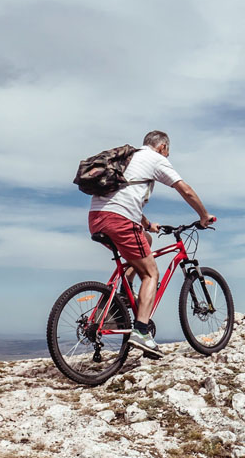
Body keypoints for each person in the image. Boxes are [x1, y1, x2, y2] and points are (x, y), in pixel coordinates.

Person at [88, 130, 214, 358]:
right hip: (120, 220)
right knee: (151, 274)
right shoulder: (155, 159)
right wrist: (204, 215)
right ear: (163, 147)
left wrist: (146, 223)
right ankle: (141, 332)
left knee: (144, 241)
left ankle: (124, 295)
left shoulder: (128, 159)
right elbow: (185, 189)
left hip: (97, 219)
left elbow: (123, 197)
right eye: (168, 152)